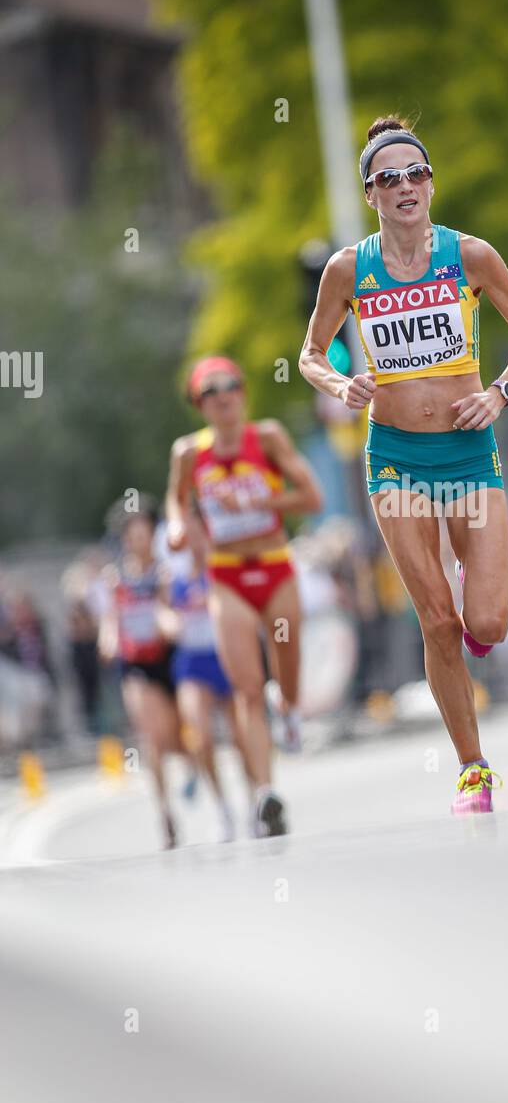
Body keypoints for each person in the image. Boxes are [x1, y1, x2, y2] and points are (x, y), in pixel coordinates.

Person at [299, 115, 508, 814]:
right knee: (437, 621)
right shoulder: (349, 270)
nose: (406, 185)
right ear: (371, 194)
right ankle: (473, 769)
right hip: (397, 459)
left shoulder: (471, 256)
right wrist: (340, 384)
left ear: (431, 183)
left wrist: (500, 393)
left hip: (470, 453)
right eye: (389, 178)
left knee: (488, 624)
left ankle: (478, 594)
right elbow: (310, 354)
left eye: (416, 173)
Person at [165, 356, 323, 838]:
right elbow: (176, 498)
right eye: (210, 391)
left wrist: (256, 501)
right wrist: (176, 524)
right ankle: (264, 792)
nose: (223, 396)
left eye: (230, 385)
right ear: (199, 404)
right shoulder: (189, 453)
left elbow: (311, 498)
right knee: (248, 690)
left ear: (243, 392)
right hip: (227, 574)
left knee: (286, 670)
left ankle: (291, 711)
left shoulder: (268, 437)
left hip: (274, 566)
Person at [160, 511, 259, 842]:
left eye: (194, 531)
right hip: (192, 662)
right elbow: (162, 610)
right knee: (200, 736)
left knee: (239, 737)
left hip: (226, 657)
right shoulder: (171, 576)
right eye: (181, 533)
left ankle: (252, 802)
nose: (188, 539)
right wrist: (168, 622)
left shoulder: (224, 566)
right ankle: (221, 809)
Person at [98, 498, 182, 849]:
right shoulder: (115, 578)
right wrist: (107, 639)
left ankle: (192, 765)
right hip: (135, 665)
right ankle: (164, 811)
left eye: (145, 534)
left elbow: (168, 609)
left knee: (175, 736)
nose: (139, 541)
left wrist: (168, 623)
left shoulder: (163, 572)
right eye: (133, 536)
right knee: (152, 737)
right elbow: (110, 618)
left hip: (169, 660)